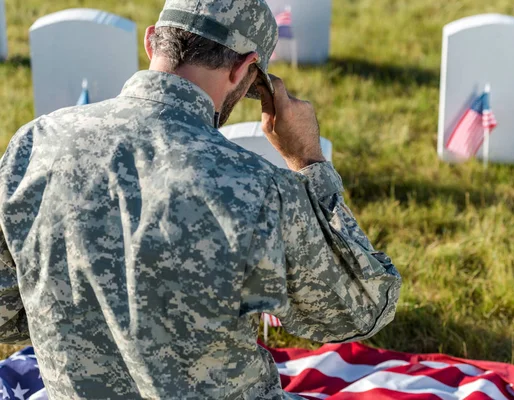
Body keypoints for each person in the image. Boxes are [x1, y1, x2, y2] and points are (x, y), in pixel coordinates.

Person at [0, 0, 402, 398]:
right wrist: (309, 162)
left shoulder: (35, 144)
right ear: (244, 70)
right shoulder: (257, 187)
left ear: (151, 41)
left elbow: (5, 312)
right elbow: (363, 306)